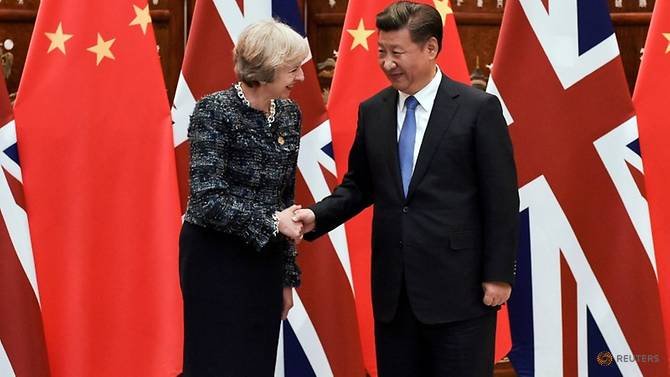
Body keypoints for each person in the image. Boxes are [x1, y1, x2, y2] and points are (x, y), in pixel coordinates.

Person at [293, 2, 519, 376]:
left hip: (460, 292)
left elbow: (501, 198)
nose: (387, 63)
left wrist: (498, 274)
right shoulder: (374, 110)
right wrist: (315, 215)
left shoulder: (478, 109)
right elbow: (359, 187)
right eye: (382, 52)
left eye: (397, 53)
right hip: (394, 296)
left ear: (431, 48)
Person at [178, 19, 308, 377]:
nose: (301, 77)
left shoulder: (289, 114)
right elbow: (207, 198)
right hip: (214, 258)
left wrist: (286, 278)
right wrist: (271, 222)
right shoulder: (213, 111)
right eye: (292, 68)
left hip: (264, 259)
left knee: (257, 363)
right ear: (266, 70)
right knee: (215, 363)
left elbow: (285, 197)